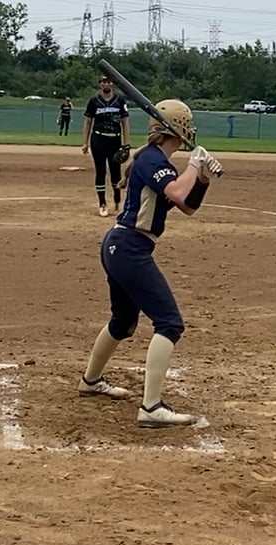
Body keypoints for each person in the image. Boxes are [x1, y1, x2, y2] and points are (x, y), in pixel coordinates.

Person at [76, 99, 223, 428]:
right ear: (178, 127)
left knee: (123, 322)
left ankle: (90, 381)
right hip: (129, 247)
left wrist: (201, 179)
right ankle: (151, 407)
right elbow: (177, 192)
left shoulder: (157, 161)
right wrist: (194, 163)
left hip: (122, 246)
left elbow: (187, 206)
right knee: (169, 324)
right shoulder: (151, 159)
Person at [81, 75, 132, 215]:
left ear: (112, 84)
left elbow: (125, 123)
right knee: (100, 171)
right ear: (100, 85)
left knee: (116, 172)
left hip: (115, 140)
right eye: (103, 82)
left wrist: (126, 144)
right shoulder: (94, 101)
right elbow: (88, 122)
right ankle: (102, 203)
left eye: (108, 82)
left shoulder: (119, 101)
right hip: (98, 139)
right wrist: (85, 142)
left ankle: (117, 199)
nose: (106, 84)